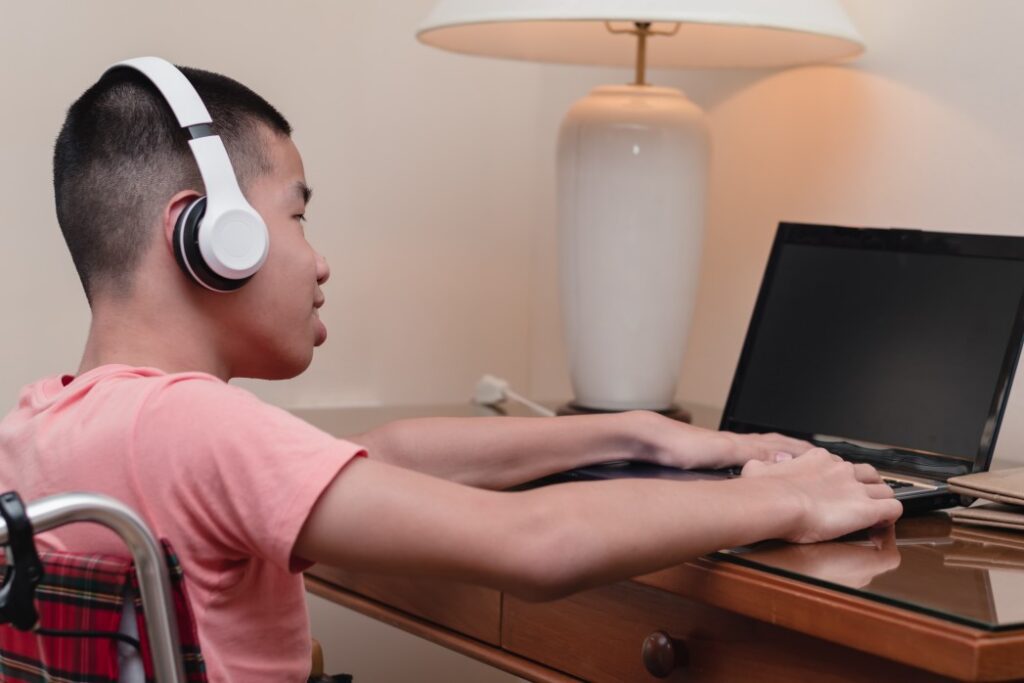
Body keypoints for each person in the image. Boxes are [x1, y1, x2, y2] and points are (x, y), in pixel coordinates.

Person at [0, 62, 902, 682]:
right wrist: (792, 497)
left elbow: (380, 454)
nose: (319, 261)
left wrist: (641, 432)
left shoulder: (49, 422)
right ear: (209, 235)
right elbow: (535, 545)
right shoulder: (194, 427)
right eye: (298, 215)